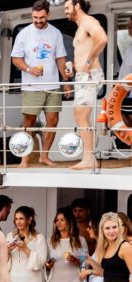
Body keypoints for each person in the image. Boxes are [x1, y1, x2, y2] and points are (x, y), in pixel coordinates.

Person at [11, 0, 70, 168]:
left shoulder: (56, 33)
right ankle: (24, 159)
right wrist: (29, 69)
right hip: (31, 86)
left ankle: (44, 156)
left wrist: (66, 82)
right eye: (35, 17)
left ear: (48, 15)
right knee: (29, 122)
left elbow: (60, 58)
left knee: (53, 120)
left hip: (52, 85)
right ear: (32, 14)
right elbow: (16, 59)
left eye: (41, 17)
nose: (37, 20)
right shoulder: (24, 34)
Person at [64, 0, 107, 170]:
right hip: (82, 76)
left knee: (81, 116)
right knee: (79, 116)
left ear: (77, 6)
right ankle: (88, 157)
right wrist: (74, 68)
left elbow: (102, 39)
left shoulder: (89, 22)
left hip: (89, 76)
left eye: (67, 7)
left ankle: (89, 159)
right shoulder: (80, 26)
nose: (65, 11)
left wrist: (88, 62)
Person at [5, 206, 48, 282]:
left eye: (21, 218)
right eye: (16, 219)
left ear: (29, 220)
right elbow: (3, 261)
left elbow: (41, 261)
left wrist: (24, 248)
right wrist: (7, 250)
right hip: (13, 280)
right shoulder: (9, 236)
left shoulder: (39, 238)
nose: (18, 222)